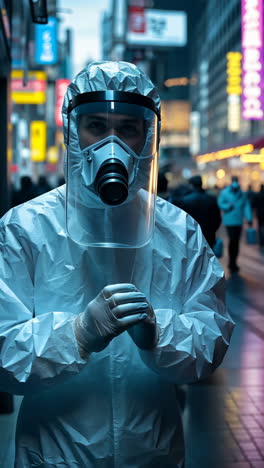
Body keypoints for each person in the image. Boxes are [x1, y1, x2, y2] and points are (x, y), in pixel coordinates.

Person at [0, 61, 234, 468]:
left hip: (152, 451)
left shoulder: (179, 232)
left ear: (148, 137)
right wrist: (76, 334)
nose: (113, 146)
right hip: (52, 454)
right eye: (96, 126)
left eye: (127, 129)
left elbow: (209, 342)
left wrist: (159, 334)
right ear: (73, 133)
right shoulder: (25, 228)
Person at [172, 174, 222, 249]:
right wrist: (212, 230)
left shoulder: (185, 200)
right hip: (208, 235)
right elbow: (217, 219)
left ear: (191, 185)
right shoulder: (211, 199)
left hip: (191, 236)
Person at [218, 175, 252, 273]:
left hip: (238, 221)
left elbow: (246, 206)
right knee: (232, 240)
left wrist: (249, 218)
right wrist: (227, 206)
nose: (235, 183)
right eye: (234, 181)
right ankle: (231, 261)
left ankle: (234, 261)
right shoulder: (224, 192)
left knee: (236, 241)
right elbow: (220, 203)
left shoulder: (242, 193)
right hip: (229, 221)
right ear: (232, 181)